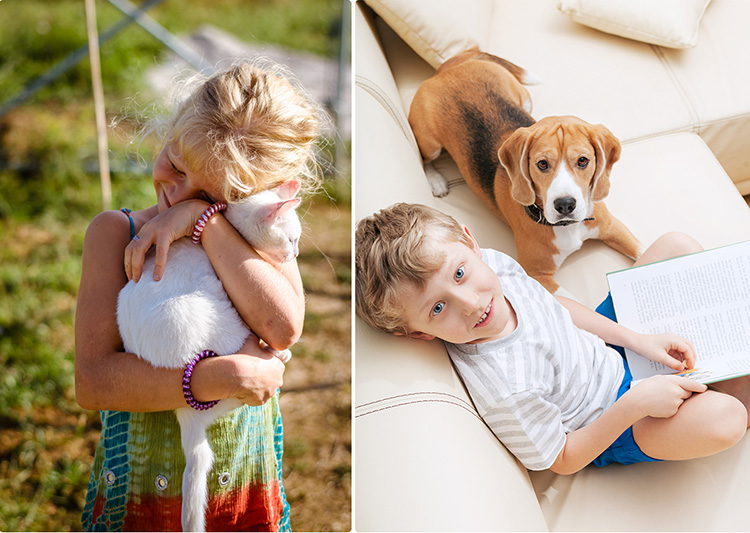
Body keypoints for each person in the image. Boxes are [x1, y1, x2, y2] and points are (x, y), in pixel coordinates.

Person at [75, 60, 322, 531]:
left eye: (210, 196)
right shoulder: (116, 234)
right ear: (169, 136)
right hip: (139, 498)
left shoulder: (260, 243)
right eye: (177, 166)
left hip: (243, 495)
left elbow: (283, 327)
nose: (179, 194)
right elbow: (94, 381)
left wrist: (203, 224)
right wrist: (218, 378)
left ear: (265, 199)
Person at [355, 202, 750, 475]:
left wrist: (636, 339)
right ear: (420, 333)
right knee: (729, 418)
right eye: (438, 308)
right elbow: (562, 457)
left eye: (459, 274)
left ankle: (716, 361)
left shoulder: (491, 263)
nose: (471, 303)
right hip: (614, 418)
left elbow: (551, 304)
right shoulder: (506, 390)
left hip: (600, 346)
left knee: (677, 246)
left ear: (470, 242)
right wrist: (635, 403)